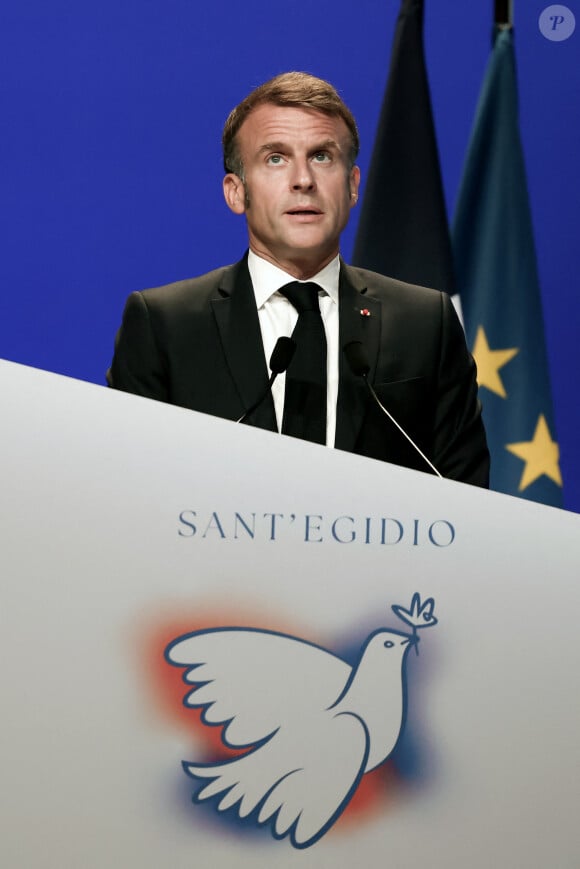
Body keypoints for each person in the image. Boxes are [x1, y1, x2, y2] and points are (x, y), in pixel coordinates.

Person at [107, 72, 489, 486]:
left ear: (352, 186)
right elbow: (130, 490)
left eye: (322, 156)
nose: (303, 180)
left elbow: (465, 495)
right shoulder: (165, 325)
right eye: (276, 158)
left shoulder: (424, 323)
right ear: (237, 192)